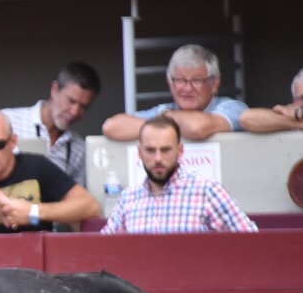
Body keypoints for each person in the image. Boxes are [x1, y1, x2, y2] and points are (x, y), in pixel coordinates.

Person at [101, 116, 257, 234]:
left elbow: (251, 240)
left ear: (180, 151)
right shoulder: (128, 197)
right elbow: (105, 248)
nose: (158, 158)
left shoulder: (207, 191)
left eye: (166, 150)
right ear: (139, 153)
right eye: (150, 150)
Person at [102, 45, 248, 141]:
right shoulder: (165, 110)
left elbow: (197, 128)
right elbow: (112, 127)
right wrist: (168, 119)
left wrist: (166, 118)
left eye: (196, 80)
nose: (187, 88)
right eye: (180, 80)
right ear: (170, 83)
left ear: (214, 83)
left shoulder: (232, 108)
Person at [0, 62, 102, 181]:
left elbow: (76, 198)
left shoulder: (79, 149)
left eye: (84, 107)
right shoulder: (7, 120)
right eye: (71, 101)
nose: (75, 112)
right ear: (54, 89)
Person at [238, 68, 303, 133]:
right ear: (294, 100)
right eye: (301, 98)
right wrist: (297, 120)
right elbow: (247, 118)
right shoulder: (292, 113)